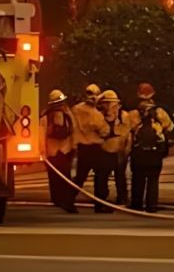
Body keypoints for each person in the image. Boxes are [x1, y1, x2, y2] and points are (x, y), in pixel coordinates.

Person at [128, 82, 174, 213]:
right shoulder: (160, 113)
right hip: (155, 153)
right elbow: (169, 128)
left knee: (138, 178)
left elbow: (128, 131)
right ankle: (151, 205)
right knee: (153, 180)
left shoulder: (133, 114)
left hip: (139, 153)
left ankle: (136, 204)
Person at [71, 83, 110, 212]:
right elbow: (104, 131)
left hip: (82, 147)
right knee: (101, 176)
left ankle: (68, 201)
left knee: (80, 177)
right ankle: (100, 204)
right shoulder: (95, 114)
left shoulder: (76, 109)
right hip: (94, 147)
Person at [39, 89, 78, 213]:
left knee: (59, 176)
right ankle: (60, 199)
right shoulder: (63, 115)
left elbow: (72, 131)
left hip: (58, 151)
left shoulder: (47, 116)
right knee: (60, 177)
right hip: (59, 151)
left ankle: (58, 199)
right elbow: (42, 135)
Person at [97, 90, 132, 208]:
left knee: (120, 177)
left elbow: (128, 135)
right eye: (106, 103)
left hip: (119, 152)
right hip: (104, 152)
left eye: (111, 103)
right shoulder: (98, 116)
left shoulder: (124, 116)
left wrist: (126, 150)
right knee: (102, 177)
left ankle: (122, 199)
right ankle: (101, 201)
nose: (109, 107)